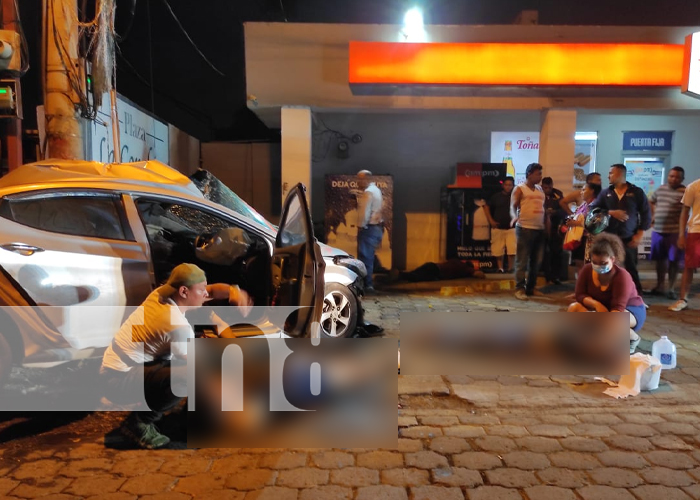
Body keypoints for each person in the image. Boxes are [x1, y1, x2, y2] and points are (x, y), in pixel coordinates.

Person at [100, 263, 252, 449]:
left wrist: (234, 292)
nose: (206, 294)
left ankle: (180, 414)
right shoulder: (177, 326)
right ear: (184, 292)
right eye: (202, 290)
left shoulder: (160, 295)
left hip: (123, 368)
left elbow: (213, 290)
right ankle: (140, 423)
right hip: (118, 380)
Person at [568, 233, 645, 354]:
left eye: (603, 263)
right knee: (574, 308)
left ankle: (632, 337)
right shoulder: (587, 270)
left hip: (628, 311)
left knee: (610, 321)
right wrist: (596, 304)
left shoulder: (622, 276)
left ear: (613, 259)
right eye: (595, 262)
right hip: (602, 307)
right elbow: (579, 295)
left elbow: (618, 308)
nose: (598, 266)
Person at [590, 164, 652, 298]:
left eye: (611, 173)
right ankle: (608, 294)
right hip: (609, 238)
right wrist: (611, 212)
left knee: (631, 268)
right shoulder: (606, 193)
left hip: (628, 237)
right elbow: (593, 209)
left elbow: (646, 214)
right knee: (607, 268)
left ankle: (637, 297)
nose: (608, 176)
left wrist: (640, 234)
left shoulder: (636, 192)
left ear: (620, 174)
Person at [511, 163, 547, 300]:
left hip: (539, 229)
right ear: (530, 173)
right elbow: (512, 206)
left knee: (536, 261)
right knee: (522, 261)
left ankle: (531, 288)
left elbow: (544, 208)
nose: (540, 176)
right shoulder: (520, 189)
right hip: (525, 228)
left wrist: (547, 225)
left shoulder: (540, 189)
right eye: (538, 174)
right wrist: (514, 217)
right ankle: (519, 289)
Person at [649, 166, 686, 299]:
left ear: (682, 178)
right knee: (659, 260)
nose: (673, 178)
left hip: (675, 232)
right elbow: (651, 201)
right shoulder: (661, 189)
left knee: (674, 261)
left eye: (677, 177)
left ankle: (670, 288)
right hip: (658, 231)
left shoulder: (685, 191)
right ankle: (659, 286)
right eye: (671, 176)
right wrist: (652, 216)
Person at [669, 177, 700, 312]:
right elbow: (684, 212)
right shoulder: (693, 187)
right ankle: (683, 299)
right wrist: (682, 235)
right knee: (689, 266)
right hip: (696, 230)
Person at [356, 170, 383, 293]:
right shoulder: (376, 190)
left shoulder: (368, 192)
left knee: (365, 258)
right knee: (369, 257)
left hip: (368, 229)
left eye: (360, 179)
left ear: (366, 179)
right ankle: (368, 284)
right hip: (377, 228)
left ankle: (367, 285)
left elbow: (364, 212)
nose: (358, 182)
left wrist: (361, 226)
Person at [567, 181, 603, 267]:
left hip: (590, 240)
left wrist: (576, 223)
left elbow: (594, 223)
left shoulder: (597, 205)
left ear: (592, 191)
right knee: (578, 263)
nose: (581, 192)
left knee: (588, 265)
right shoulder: (584, 204)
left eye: (584, 190)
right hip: (579, 238)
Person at [484, 176, 516, 273]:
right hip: (498, 227)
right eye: (506, 185)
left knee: (512, 250)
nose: (508, 187)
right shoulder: (496, 197)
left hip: (512, 228)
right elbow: (486, 207)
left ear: (513, 186)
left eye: (510, 185)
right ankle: (500, 268)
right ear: (503, 185)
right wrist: (491, 221)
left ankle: (511, 268)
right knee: (498, 250)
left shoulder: (516, 197)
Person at [542, 177, 566, 284]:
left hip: (555, 228)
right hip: (540, 228)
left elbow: (564, 210)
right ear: (542, 186)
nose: (547, 189)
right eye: (545, 187)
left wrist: (554, 212)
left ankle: (556, 276)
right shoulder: (537, 193)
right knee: (543, 253)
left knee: (556, 253)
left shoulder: (557, 194)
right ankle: (546, 276)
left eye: (549, 187)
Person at [390, 259, 485, 283]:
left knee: (414, 274)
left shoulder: (455, 261)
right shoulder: (465, 268)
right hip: (436, 271)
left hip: (432, 265)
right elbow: (478, 274)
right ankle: (399, 275)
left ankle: (398, 275)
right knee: (417, 277)